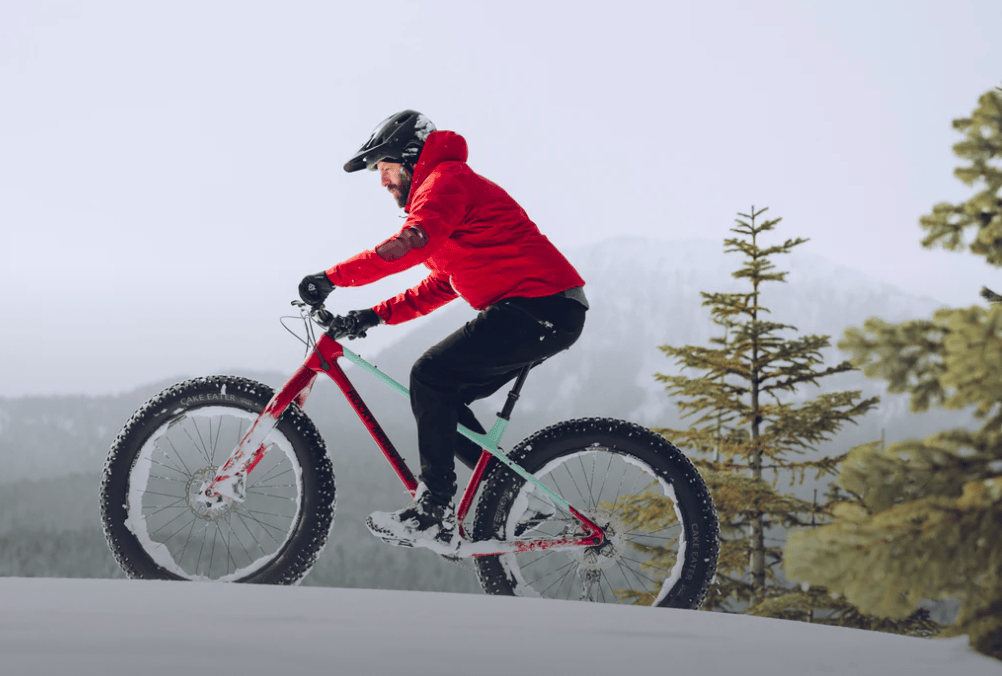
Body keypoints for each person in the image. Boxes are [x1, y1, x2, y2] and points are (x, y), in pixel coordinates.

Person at [298, 110, 588, 553]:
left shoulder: (446, 181)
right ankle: (515, 498)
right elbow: (440, 283)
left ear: (412, 158)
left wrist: (332, 277)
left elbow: (412, 244)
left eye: (388, 169)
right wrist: (373, 316)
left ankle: (433, 512)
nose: (383, 182)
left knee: (430, 376)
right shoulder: (442, 195)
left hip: (539, 305)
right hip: (542, 308)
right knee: (440, 400)